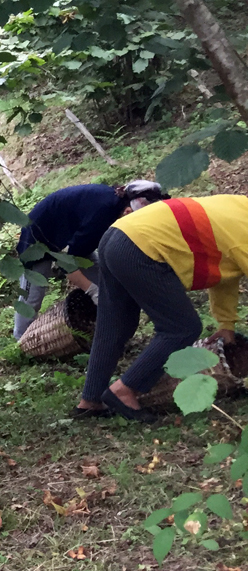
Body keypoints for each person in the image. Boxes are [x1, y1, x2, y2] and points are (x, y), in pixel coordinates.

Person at [75, 194, 248, 422]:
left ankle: (90, 400)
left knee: (116, 324)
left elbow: (224, 273)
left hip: (118, 235)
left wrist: (226, 325)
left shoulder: (237, 207)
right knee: (181, 328)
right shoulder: (243, 229)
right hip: (141, 245)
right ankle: (125, 390)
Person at [13, 180, 168, 339]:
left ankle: (112, 331)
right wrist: (93, 291)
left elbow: (82, 250)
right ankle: (21, 341)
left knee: (106, 279)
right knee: (32, 296)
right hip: (37, 236)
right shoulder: (102, 212)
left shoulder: (116, 203)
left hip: (70, 234)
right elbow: (68, 266)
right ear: (128, 211)